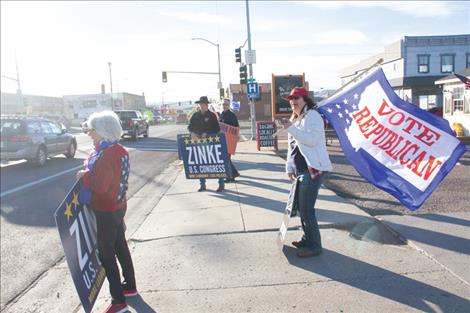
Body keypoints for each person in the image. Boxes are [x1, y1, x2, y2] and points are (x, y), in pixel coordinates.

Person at [77, 111, 137, 313]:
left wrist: (84, 176)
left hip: (106, 209)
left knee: (106, 254)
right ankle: (130, 286)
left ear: (102, 131)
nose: (89, 134)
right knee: (120, 245)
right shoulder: (118, 149)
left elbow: (100, 186)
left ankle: (118, 301)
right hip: (119, 205)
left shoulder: (108, 153)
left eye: (91, 130)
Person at [283, 87, 332, 258]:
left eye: (296, 98)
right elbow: (292, 147)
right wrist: (289, 167)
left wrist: (292, 129)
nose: (293, 102)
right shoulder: (295, 118)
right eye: (291, 99)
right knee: (302, 209)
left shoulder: (313, 116)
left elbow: (312, 141)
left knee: (307, 210)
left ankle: (314, 246)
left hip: (313, 169)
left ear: (305, 99)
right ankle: (307, 238)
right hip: (300, 170)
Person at [187, 96, 225, 192]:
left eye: (204, 104)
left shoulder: (212, 115)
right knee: (201, 163)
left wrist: (207, 133)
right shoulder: (195, 116)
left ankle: (221, 184)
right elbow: (190, 127)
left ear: (207, 105)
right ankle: (202, 185)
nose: (202, 106)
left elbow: (216, 128)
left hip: (211, 143)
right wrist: (192, 133)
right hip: (199, 143)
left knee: (216, 163)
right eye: (201, 104)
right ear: (199, 105)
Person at [219, 98, 240, 183]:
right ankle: (234, 173)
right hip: (223, 140)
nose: (224, 106)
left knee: (226, 159)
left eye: (226, 104)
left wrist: (236, 138)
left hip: (229, 141)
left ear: (229, 105)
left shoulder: (232, 115)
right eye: (223, 104)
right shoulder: (222, 114)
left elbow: (236, 128)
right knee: (226, 159)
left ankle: (230, 177)